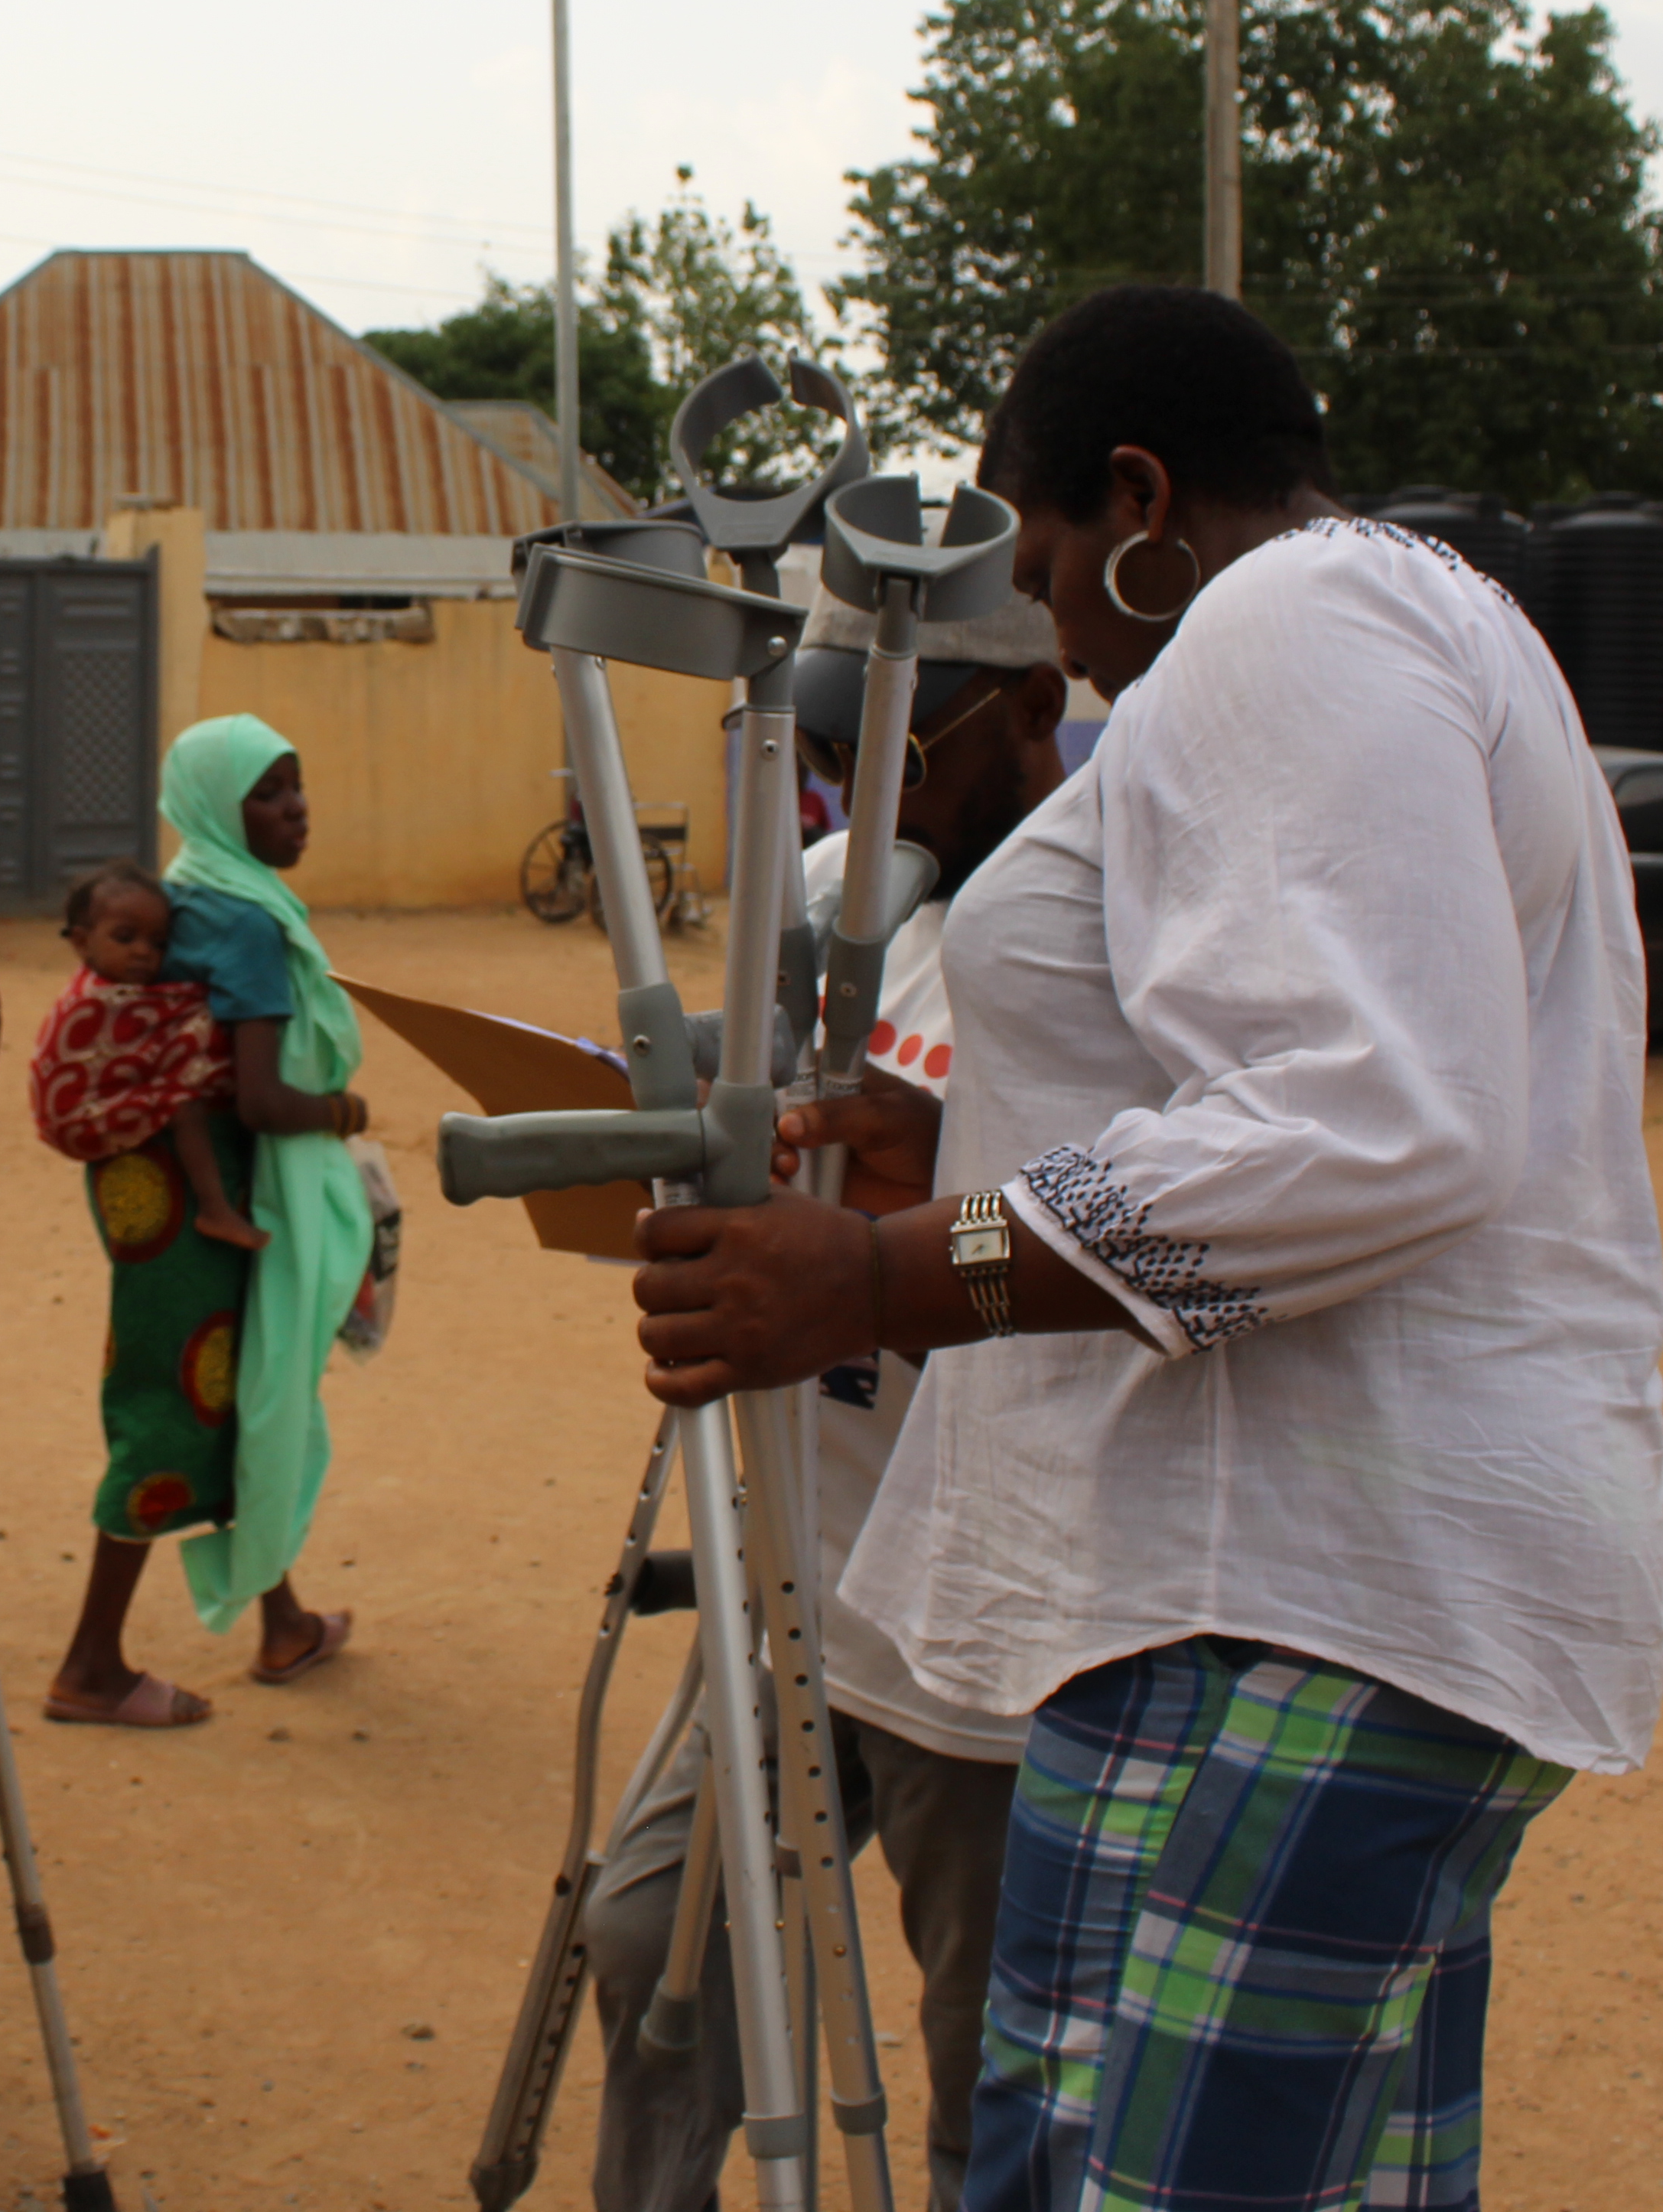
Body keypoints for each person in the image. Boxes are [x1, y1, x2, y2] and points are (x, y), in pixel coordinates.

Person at [627, 287, 1663, 2210]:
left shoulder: (1292, 617)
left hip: (1317, 1600)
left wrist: (878, 1276)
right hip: (1212, 1591)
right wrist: (961, 1151)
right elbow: (1263, 1083)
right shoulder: (1364, 636)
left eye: (1040, 565)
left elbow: (1373, 1121)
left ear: (1135, 496)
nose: (1045, 623)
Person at [581, 588, 1072, 2212]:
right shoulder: (822, 904)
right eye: (828, 753)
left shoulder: (1107, 941)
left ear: (1031, 706)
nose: (861, 796)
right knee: (655, 1938)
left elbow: (1144, 1273)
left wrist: (922, 1225)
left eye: (899, 750)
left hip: (998, 1632)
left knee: (988, 2059)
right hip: (809, 1559)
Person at [42, 717, 366, 1731]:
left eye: (297, 787)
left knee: (239, 1387)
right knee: (177, 1401)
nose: (295, 809)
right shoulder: (251, 921)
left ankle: (284, 1620)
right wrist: (342, 1112)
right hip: (198, 1196)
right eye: (268, 794)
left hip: (152, 1189)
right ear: (220, 810)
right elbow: (266, 1100)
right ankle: (90, 1666)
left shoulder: (189, 889)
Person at [28, 859, 263, 1250]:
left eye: (158, 943)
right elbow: (180, 1014)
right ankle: (215, 1209)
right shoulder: (94, 999)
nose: (143, 952)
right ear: (83, 942)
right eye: (125, 937)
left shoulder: (127, 992)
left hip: (95, 1111)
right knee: (181, 1107)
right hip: (77, 1116)